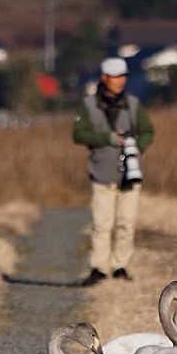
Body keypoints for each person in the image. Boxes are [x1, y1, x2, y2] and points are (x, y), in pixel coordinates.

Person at [72, 56, 154, 284]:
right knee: (101, 224)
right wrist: (105, 138)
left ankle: (120, 266)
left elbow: (148, 131)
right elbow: (78, 134)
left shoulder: (133, 105)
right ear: (104, 78)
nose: (120, 81)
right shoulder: (89, 105)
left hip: (129, 175)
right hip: (101, 173)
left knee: (126, 223)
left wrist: (138, 146)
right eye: (116, 77)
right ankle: (99, 268)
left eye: (123, 76)